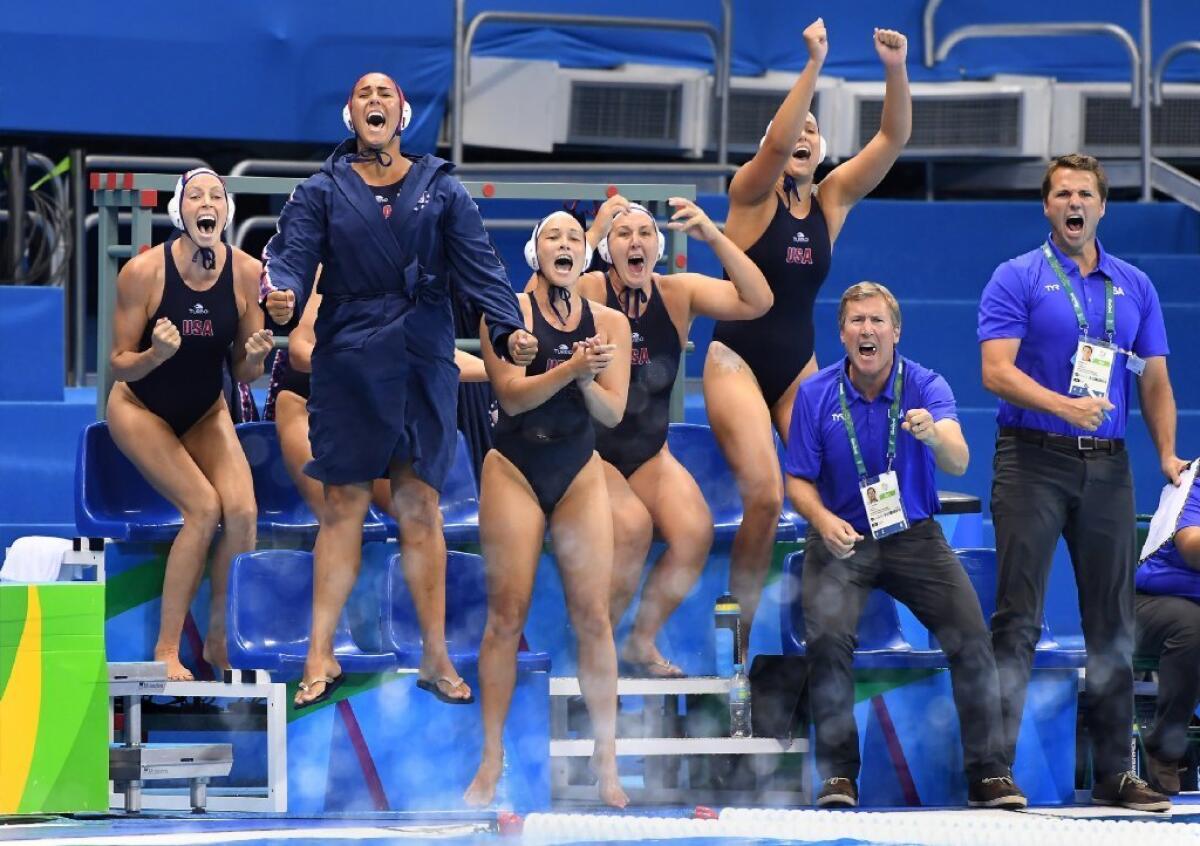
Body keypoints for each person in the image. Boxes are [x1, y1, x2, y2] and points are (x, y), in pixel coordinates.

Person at [261, 72, 536, 709]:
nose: (375, 101)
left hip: (421, 357)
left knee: (420, 509)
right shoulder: (320, 191)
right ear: (349, 114)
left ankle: (434, 655)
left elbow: (482, 266)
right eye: (363, 94)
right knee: (343, 508)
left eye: (386, 94)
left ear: (403, 114)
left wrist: (511, 326)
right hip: (351, 359)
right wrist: (281, 298)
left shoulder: (441, 189)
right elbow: (290, 261)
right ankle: (319, 651)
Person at [979, 152, 1184, 812]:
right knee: (1018, 617)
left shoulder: (1134, 286)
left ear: (1102, 206)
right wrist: (1064, 406)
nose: (1074, 203)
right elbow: (995, 371)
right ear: (1047, 207)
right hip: (1032, 459)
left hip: (1110, 466)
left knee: (1113, 622)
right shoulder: (1017, 277)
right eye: (1062, 193)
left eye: (1085, 193)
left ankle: (1114, 775)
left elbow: (1153, 379)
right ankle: (992, 770)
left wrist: (1169, 456)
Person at [703, 18, 911, 652]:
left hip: (797, 365)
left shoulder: (830, 200)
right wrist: (815, 63)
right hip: (735, 359)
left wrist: (895, 70)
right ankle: (737, 627)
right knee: (766, 496)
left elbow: (893, 138)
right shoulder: (749, 192)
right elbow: (773, 146)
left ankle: (847, 617)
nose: (803, 137)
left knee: (851, 480)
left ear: (821, 152)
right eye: (796, 128)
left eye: (815, 133)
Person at [785, 282, 1026, 810]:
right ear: (842, 333)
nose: (866, 330)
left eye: (876, 321)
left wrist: (935, 437)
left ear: (896, 331)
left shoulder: (926, 385)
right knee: (827, 641)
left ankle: (989, 774)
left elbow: (960, 460)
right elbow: (798, 481)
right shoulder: (815, 394)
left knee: (970, 635)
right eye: (856, 322)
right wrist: (823, 521)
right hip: (842, 537)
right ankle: (838, 776)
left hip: (913, 536)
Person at [465, 211, 631, 809]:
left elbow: (611, 414)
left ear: (585, 255)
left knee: (593, 617)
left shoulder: (607, 321)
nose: (565, 243)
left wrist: (587, 379)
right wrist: (569, 369)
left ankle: (606, 762)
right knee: (505, 618)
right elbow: (510, 394)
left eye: (573, 237)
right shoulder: (505, 314)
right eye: (552, 236)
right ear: (536, 254)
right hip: (513, 467)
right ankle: (490, 761)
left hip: (578, 470)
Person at [569, 197, 772, 676]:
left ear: (658, 248)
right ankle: (597, 651)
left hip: (648, 454)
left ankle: (639, 641)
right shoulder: (590, 287)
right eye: (623, 234)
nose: (634, 240)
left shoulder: (676, 294)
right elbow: (543, 293)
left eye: (644, 232)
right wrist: (593, 234)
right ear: (607, 251)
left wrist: (715, 236)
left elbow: (759, 300)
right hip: (589, 452)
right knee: (634, 527)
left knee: (694, 533)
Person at [108, 167, 273, 680]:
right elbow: (118, 361)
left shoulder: (246, 274)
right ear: (181, 212)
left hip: (205, 410)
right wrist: (155, 354)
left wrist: (256, 358)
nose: (208, 203)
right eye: (197, 195)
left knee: (243, 511)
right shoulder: (144, 273)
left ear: (227, 212)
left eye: (217, 196)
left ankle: (221, 641)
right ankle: (165, 649)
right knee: (203, 509)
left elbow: (243, 372)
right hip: (140, 407)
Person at [269, 283, 487, 525]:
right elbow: (299, 351)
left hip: (371, 414)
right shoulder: (334, 262)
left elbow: (437, 355)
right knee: (340, 514)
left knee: (424, 519)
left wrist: (497, 371)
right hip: (308, 404)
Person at [1134, 461, 1200, 796]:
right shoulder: (1195, 478)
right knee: (1192, 625)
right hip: (1150, 603)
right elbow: (1190, 545)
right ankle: (1166, 748)